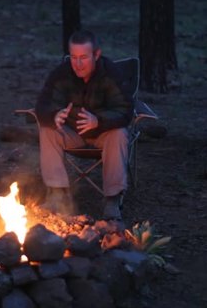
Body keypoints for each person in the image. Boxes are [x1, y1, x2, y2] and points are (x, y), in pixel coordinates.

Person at [35, 29, 133, 221]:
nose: (78, 64)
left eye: (84, 58)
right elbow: (43, 104)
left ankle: (112, 199)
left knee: (119, 133)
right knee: (48, 130)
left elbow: (125, 110)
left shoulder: (110, 74)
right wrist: (54, 115)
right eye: (73, 57)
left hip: (103, 133)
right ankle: (57, 194)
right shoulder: (62, 73)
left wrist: (99, 120)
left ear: (96, 54)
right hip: (73, 132)